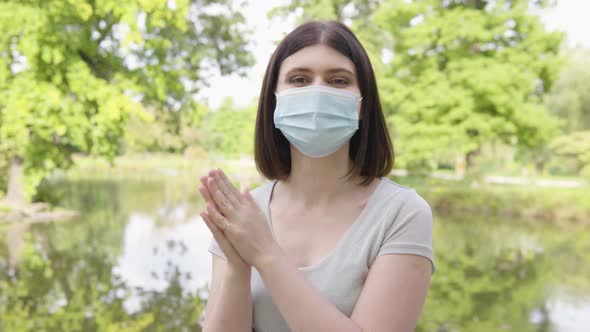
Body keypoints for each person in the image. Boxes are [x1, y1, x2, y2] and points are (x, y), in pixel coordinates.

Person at [198, 20, 435, 332]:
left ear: (362, 105)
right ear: (275, 101)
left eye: (338, 81)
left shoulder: (401, 213)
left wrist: (265, 254)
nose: (318, 92)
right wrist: (236, 265)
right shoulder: (245, 213)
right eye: (299, 79)